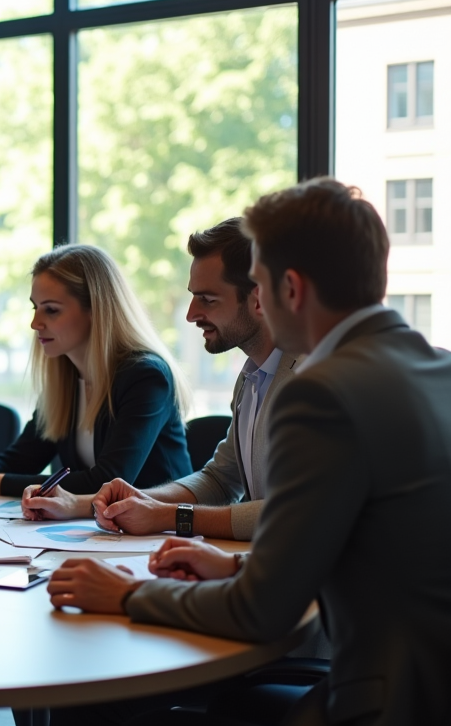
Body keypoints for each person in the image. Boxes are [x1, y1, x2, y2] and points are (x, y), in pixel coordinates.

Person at [47, 178, 451, 726]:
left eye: (258, 284)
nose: (256, 302)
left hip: (385, 721)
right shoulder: (433, 368)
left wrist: (127, 594)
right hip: (430, 695)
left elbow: (261, 612)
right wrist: (220, 558)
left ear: (288, 288)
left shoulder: (323, 394)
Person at [0, 244, 191, 517]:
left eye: (51, 310)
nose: (35, 323)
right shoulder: (66, 376)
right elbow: (22, 457)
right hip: (102, 533)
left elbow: (108, 482)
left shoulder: (146, 376)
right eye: (35, 308)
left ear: (96, 310)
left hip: (159, 537)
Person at [91, 218, 300, 541]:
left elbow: (291, 511)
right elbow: (220, 480)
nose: (190, 314)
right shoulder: (250, 379)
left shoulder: (312, 381)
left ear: (258, 299)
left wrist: (169, 516)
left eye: (207, 299)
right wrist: (139, 499)